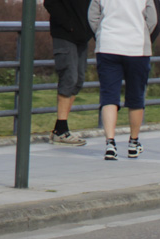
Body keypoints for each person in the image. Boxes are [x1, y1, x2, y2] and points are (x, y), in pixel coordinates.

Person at [88, 0, 160, 160]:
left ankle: (110, 143)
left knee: (109, 95)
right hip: (137, 47)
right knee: (136, 95)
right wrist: (142, 34)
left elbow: (93, 16)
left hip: (108, 45)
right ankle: (133, 143)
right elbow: (153, 20)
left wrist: (101, 34)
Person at [45, 0, 94, 146]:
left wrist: (89, 29)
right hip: (65, 35)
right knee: (69, 78)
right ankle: (61, 130)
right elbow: (50, 3)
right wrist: (69, 25)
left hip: (82, 36)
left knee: (78, 81)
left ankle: (60, 129)